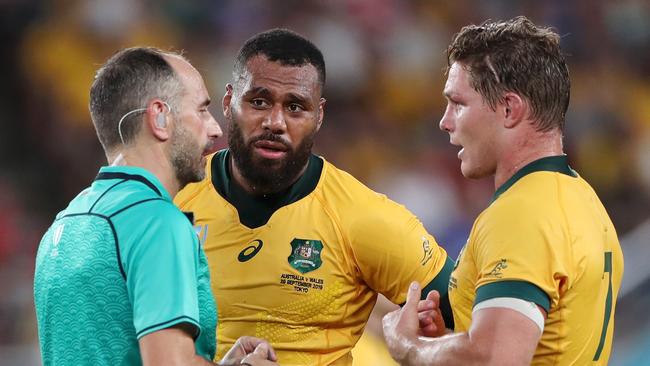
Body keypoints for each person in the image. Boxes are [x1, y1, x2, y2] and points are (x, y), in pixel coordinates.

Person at [174, 29, 455, 365]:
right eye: (259, 101)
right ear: (228, 101)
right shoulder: (173, 198)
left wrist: (420, 349)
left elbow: (478, 326)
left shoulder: (362, 217)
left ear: (319, 115)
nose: (275, 122)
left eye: (295, 107)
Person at [382, 16, 624, 365]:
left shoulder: (522, 214)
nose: (445, 121)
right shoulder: (583, 200)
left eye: (459, 103)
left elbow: (492, 359)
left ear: (509, 109)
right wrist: (448, 343)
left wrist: (408, 346)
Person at [33, 47, 278, 366]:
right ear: (159, 117)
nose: (215, 128)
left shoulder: (65, 224)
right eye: (202, 110)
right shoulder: (157, 222)